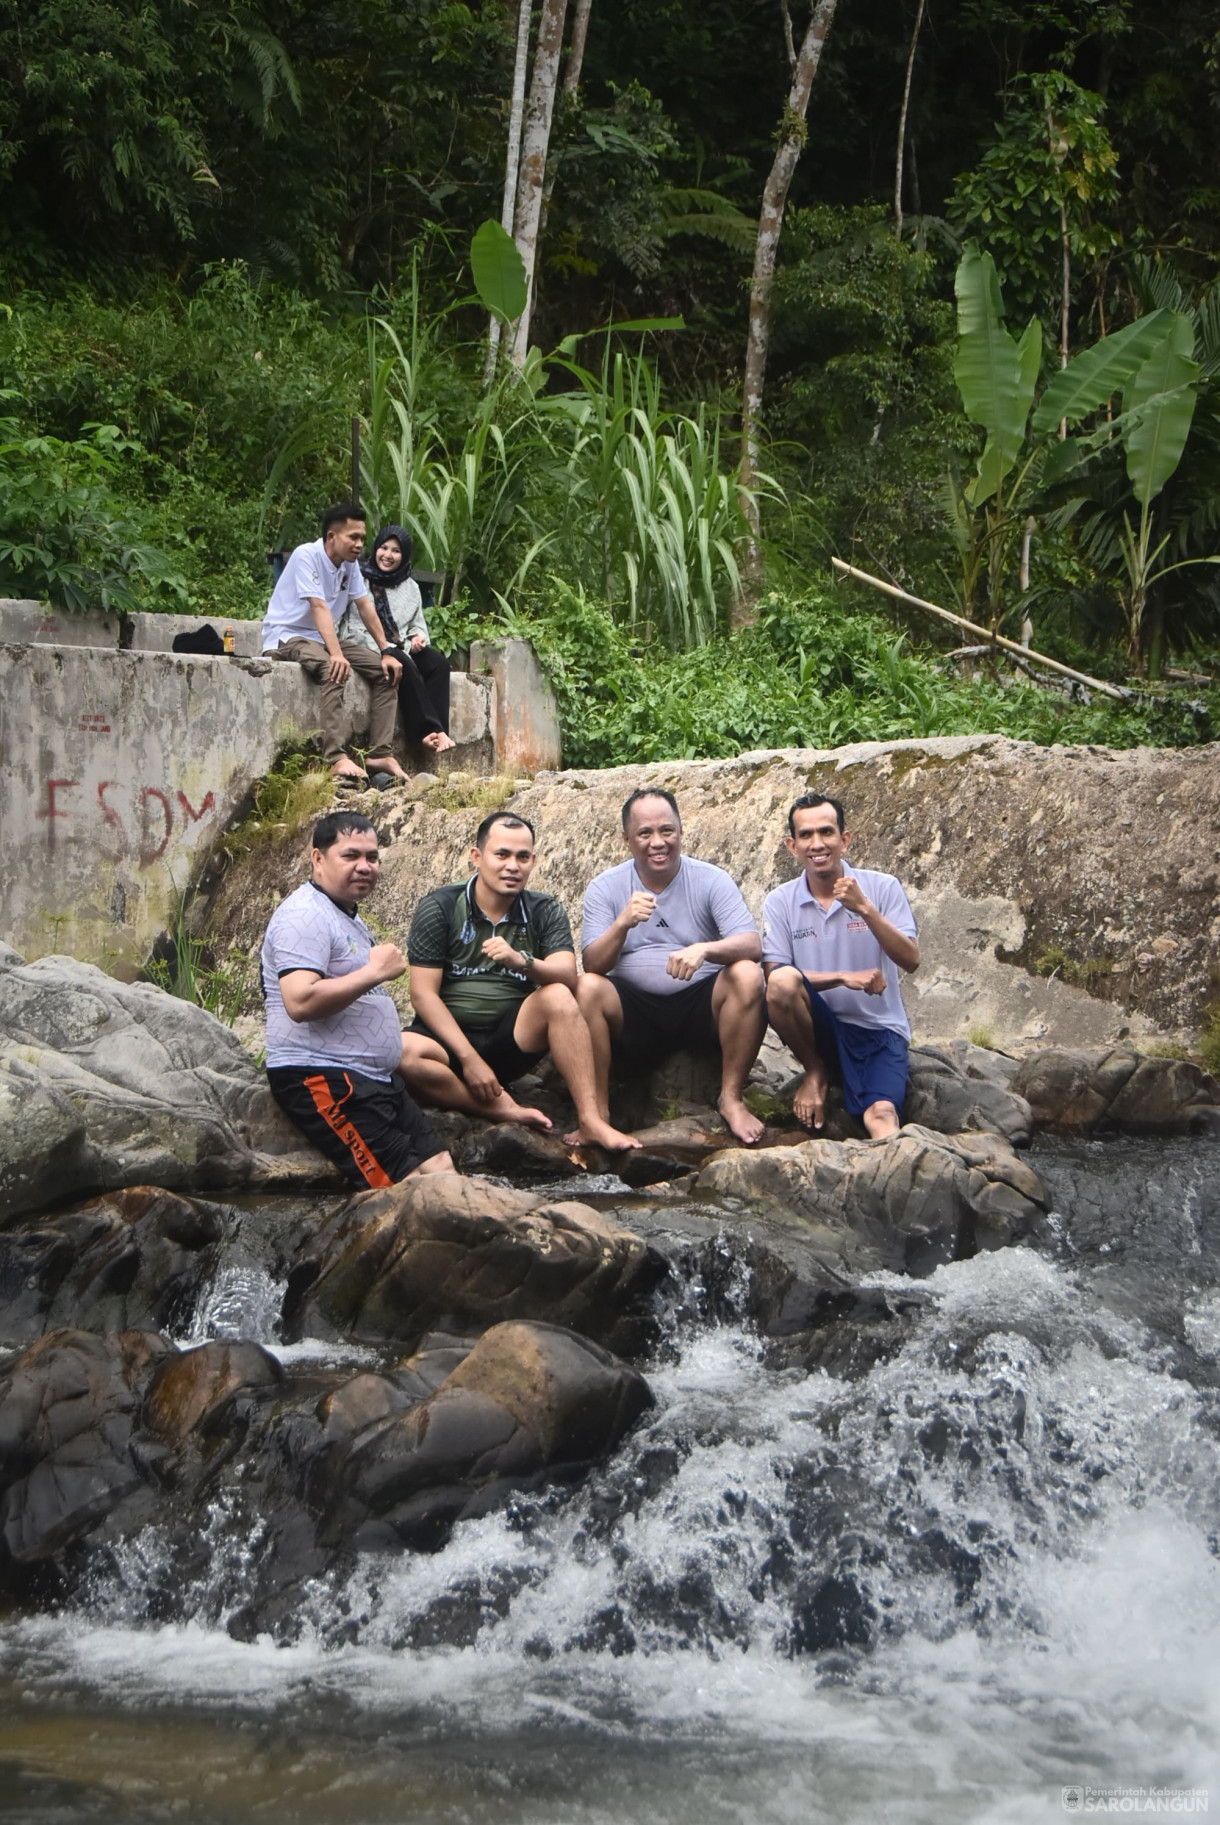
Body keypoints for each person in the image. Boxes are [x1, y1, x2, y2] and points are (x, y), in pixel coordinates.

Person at [401, 811, 640, 1151]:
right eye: (502, 855)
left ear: (533, 861)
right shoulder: (440, 907)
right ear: (477, 857)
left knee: (557, 996)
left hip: (509, 1038)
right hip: (447, 1042)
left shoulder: (544, 909)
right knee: (401, 1053)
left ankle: (591, 1121)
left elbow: (566, 975)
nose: (513, 866)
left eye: (522, 857)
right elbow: (422, 995)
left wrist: (521, 960)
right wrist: (469, 1060)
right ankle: (499, 1107)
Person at [261, 810, 454, 1185]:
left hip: (373, 1078)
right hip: (321, 1076)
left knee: (441, 1169)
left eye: (372, 857)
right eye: (350, 856)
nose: (364, 866)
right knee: (405, 1187)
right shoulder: (303, 914)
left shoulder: (345, 915)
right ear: (317, 858)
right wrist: (374, 973)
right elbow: (300, 1002)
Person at [575, 788, 767, 1146]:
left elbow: (752, 945)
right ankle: (598, 1113)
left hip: (700, 1008)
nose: (657, 842)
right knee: (586, 987)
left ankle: (731, 1098)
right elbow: (593, 965)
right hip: (634, 1014)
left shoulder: (711, 879)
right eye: (645, 833)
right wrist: (622, 924)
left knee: (747, 974)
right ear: (627, 839)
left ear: (681, 831)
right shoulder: (605, 887)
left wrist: (704, 950)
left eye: (667, 831)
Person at [763, 791, 920, 1140]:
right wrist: (842, 978)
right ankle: (816, 1071)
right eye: (806, 835)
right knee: (783, 982)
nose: (817, 844)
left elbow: (911, 960)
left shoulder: (882, 887)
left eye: (826, 832)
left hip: (878, 1030)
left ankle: (891, 1175)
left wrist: (865, 908)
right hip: (821, 1031)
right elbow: (774, 976)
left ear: (844, 839)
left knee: (881, 1114)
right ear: (792, 845)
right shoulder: (780, 901)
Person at [261, 503, 413, 787]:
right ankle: (334, 757)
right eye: (353, 537)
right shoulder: (306, 555)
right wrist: (337, 654)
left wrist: (387, 650)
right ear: (332, 536)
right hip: (287, 635)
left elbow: (365, 605)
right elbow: (318, 605)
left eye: (362, 538)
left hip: (321, 637)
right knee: (334, 667)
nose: (359, 545)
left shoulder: (350, 564)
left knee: (387, 671)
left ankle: (380, 752)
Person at [340, 524, 455, 758]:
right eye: (384, 548)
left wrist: (417, 637)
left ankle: (439, 728)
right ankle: (428, 732)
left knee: (438, 664)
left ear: (404, 556)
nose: (388, 555)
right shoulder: (358, 579)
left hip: (400, 644)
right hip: (364, 641)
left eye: (396, 551)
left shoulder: (411, 587)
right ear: (376, 549)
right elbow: (343, 618)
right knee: (399, 659)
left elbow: (416, 623)